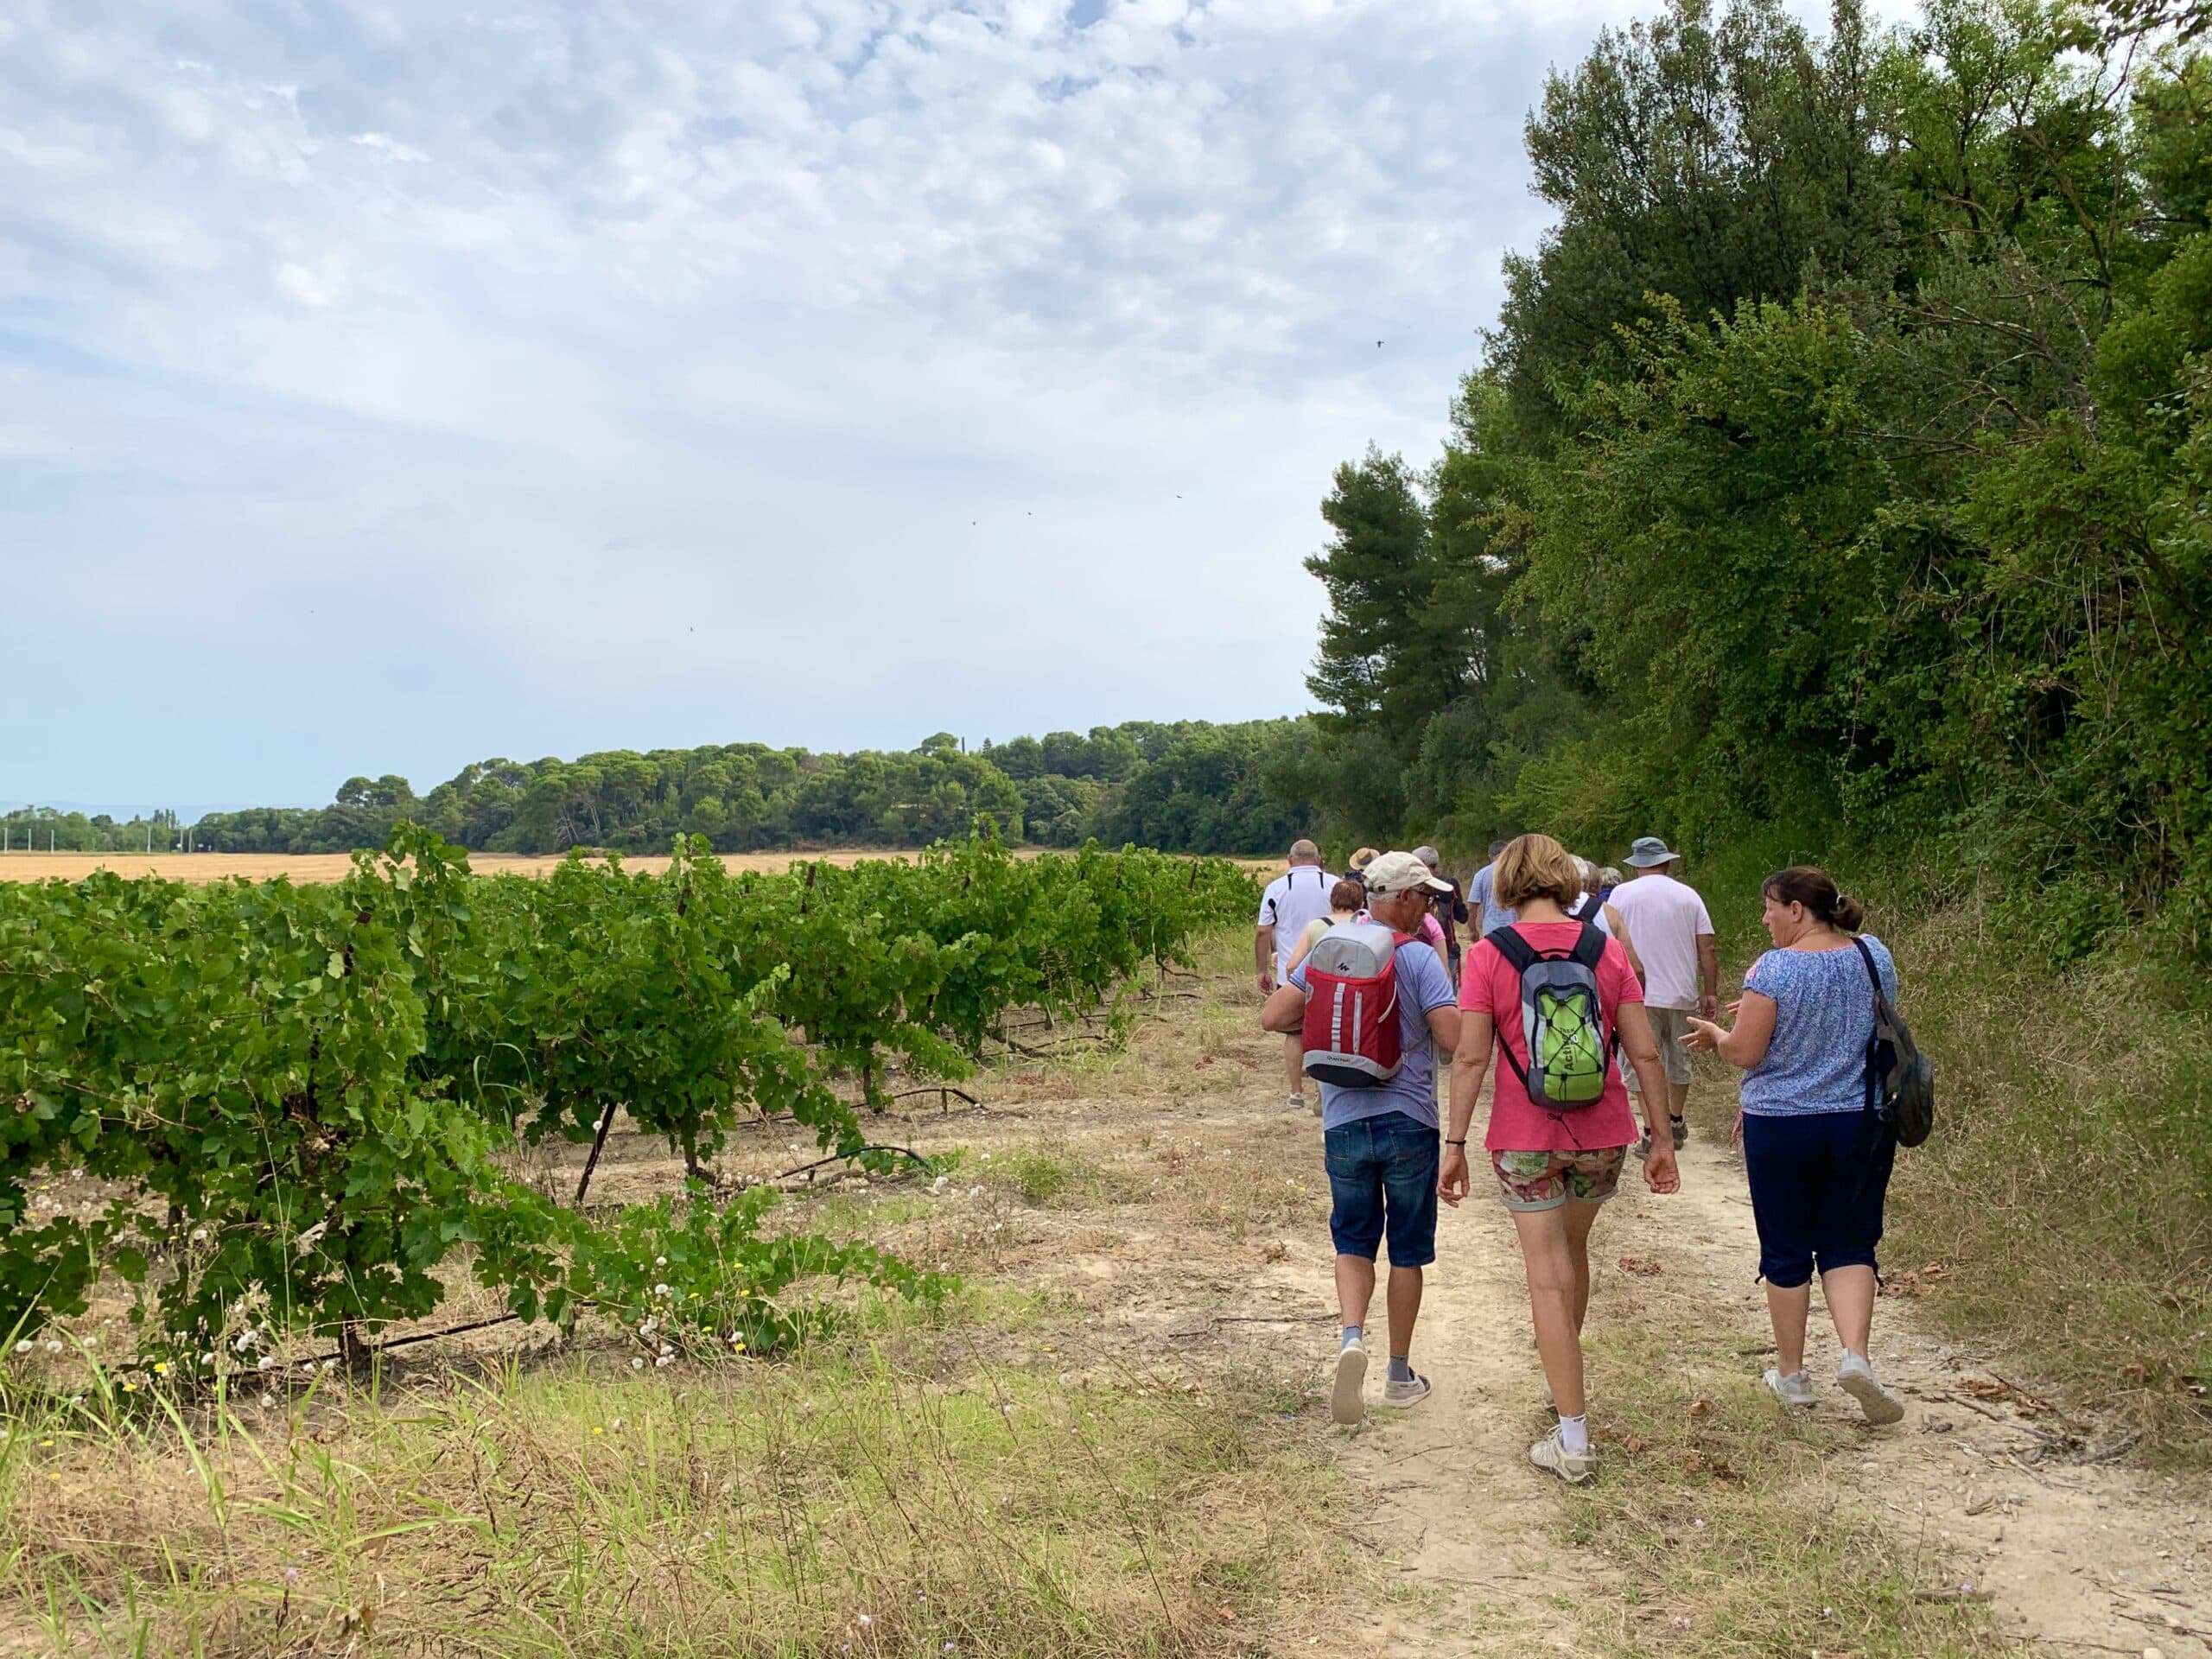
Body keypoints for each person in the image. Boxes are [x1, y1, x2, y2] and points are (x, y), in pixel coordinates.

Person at [1440, 834, 1679, 1484]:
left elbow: (1469, 1057)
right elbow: (1646, 1053)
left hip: (1524, 1137)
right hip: (1602, 1132)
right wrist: (1661, 1138)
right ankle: (1562, 1383)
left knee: (1546, 1275)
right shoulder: (1606, 950)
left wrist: (1455, 1144)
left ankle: (1572, 1439)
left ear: (1507, 882)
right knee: (1574, 1257)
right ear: (1567, 880)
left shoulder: (1489, 957)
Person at [1685, 868, 1905, 1426]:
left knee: (1786, 1250)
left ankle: (1792, 1375)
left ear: (1797, 912)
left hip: (1782, 1125)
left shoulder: (1774, 969)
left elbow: (1746, 1053)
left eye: (1770, 908)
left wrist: (1716, 1037)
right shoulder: (1873, 955)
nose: (1765, 919)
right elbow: (1859, 1022)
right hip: (1859, 1122)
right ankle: (1856, 1356)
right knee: (1851, 1241)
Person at [1262, 852, 1460, 1426]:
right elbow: (1451, 1039)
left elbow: (1273, 1017)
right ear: (1399, 900)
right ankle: (1399, 1372)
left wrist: (1324, 1011)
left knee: (1352, 1239)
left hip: (1343, 1120)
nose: (1429, 908)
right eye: (1423, 898)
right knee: (1407, 1249)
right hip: (1409, 1122)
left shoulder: (1329, 949)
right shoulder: (1420, 957)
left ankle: (1352, 1337)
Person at [1605, 836, 1719, 1159]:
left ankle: (1651, 1130)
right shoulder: (1689, 896)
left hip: (1635, 992)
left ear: (1636, 864)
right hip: (1681, 991)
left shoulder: (1620, 895)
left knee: (1641, 1061)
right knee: (1678, 1058)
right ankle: (1675, 1119)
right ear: (1667, 862)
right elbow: (1707, 947)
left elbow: (1609, 942)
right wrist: (1709, 990)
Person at [1256, 840, 1337, 1113]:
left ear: (1289, 859)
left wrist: (1261, 969)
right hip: (1331, 971)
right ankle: (1323, 1093)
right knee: (1325, 1033)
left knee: (1294, 1033)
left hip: (1290, 973)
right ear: (1319, 859)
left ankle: (1295, 1093)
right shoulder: (1334, 885)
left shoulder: (1276, 888)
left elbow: (1263, 931)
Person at [1414, 845, 1471, 985]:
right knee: (1447, 988)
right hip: (1447, 945)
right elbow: (1462, 916)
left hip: (1418, 946)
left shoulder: (1413, 883)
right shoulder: (1450, 883)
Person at [1286, 879, 1368, 975]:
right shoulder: (1369, 925)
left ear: (1331, 905)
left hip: (1323, 986)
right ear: (1362, 904)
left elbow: (1292, 966)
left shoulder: (1314, 926)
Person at [1466, 839, 1515, 938]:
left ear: (1491, 856)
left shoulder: (1481, 874)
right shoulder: (1519, 873)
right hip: (1516, 931)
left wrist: (1472, 930)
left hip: (1491, 931)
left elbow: (1472, 907)